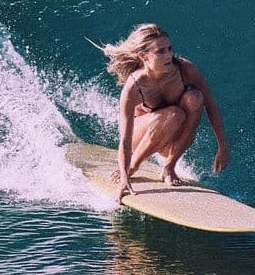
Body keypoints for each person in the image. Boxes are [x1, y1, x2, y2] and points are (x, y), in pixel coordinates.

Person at [95, 24, 229, 202]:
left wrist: (222, 146)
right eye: (160, 51)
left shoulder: (184, 69)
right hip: (141, 139)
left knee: (195, 97)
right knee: (174, 114)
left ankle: (169, 166)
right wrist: (125, 174)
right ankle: (134, 166)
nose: (168, 55)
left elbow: (211, 105)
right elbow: (125, 140)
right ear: (143, 56)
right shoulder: (135, 86)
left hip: (173, 140)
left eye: (169, 49)